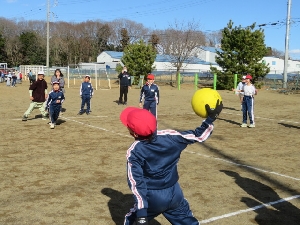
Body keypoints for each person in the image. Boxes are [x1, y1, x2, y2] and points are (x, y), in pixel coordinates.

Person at [120, 100, 223, 225]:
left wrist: (141, 213)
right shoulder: (170, 137)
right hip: (175, 193)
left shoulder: (134, 151)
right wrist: (211, 118)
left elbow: (136, 182)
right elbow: (198, 135)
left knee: (130, 220)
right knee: (187, 221)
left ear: (134, 133)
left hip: (153, 197)